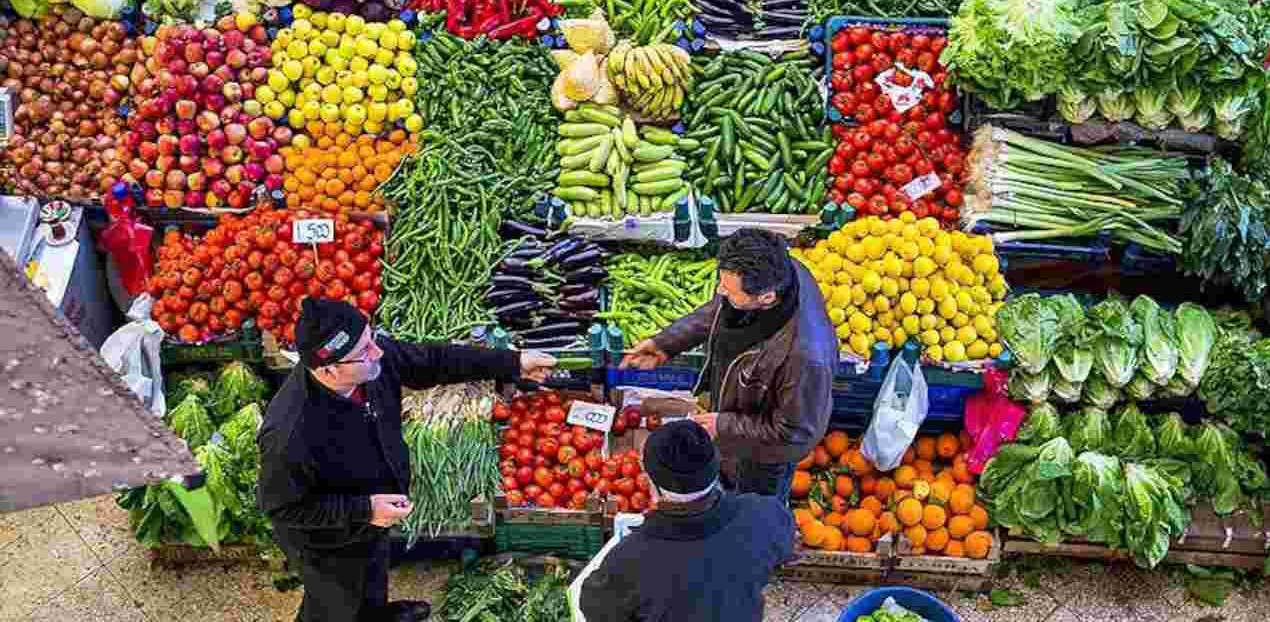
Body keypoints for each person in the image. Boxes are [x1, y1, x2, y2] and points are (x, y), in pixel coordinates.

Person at [258, 297, 557, 622]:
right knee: (337, 603)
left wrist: (513, 362)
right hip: (327, 540)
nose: (379, 353)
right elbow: (283, 507)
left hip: (374, 514)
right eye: (365, 351)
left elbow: (433, 360)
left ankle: (378, 614)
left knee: (373, 575)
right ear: (329, 369)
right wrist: (366, 509)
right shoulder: (290, 432)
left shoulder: (368, 363)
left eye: (372, 339)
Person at [622, 228, 837, 501]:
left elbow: (793, 435)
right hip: (737, 415)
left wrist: (723, 425)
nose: (719, 291)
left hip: (763, 457)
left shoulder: (805, 359)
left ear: (767, 298)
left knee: (753, 508)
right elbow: (721, 308)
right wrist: (667, 343)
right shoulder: (781, 270)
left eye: (729, 289)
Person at [578, 420, 795, 622]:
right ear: (715, 467)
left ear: (652, 483)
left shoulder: (628, 559)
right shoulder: (764, 514)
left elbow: (595, 608)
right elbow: (784, 546)